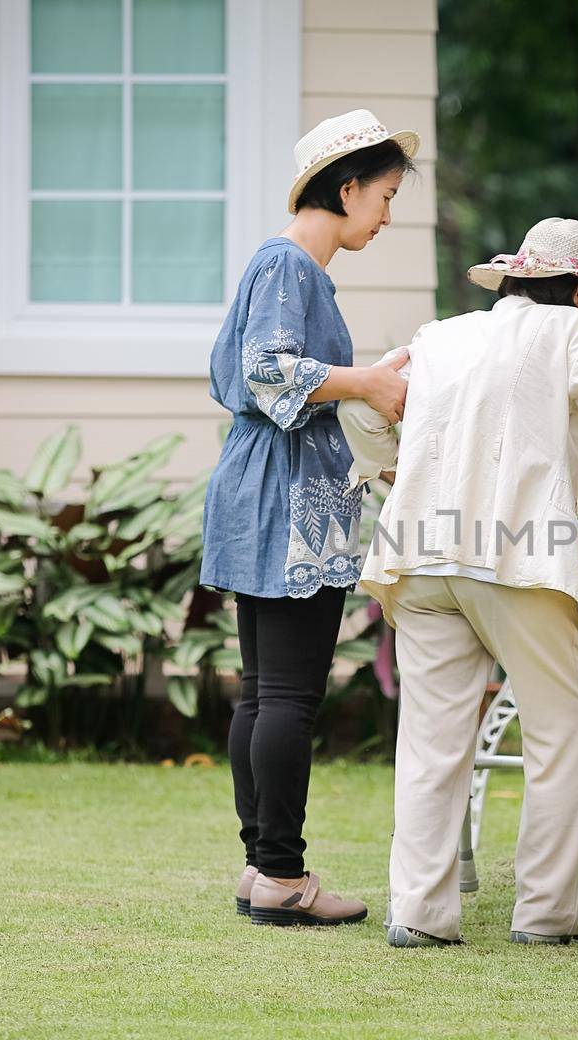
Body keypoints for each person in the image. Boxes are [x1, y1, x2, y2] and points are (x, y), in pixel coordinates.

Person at [339, 218, 578, 947]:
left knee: (432, 739)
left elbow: (359, 405)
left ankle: (419, 914)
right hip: (519, 559)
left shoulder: (441, 335)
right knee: (559, 731)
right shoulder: (575, 332)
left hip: (421, 555)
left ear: (517, 277)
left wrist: (392, 474)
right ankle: (549, 913)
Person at [200, 109, 418, 927]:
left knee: (263, 693)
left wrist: (365, 406)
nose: (387, 216)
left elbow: (288, 385)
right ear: (348, 186)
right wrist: (366, 381)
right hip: (287, 502)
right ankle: (285, 877)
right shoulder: (290, 266)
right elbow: (266, 372)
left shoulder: (288, 269)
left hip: (263, 489)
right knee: (288, 695)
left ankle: (265, 870)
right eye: (385, 197)